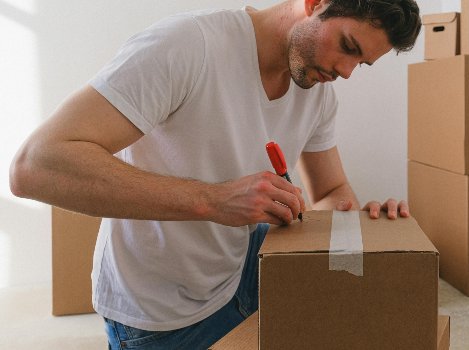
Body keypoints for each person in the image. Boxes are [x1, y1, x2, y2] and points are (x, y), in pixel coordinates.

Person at [9, 0, 421, 348]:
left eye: (361, 63)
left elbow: (331, 190)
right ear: (315, 3)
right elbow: (35, 165)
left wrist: (359, 220)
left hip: (248, 270)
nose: (346, 72)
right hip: (160, 313)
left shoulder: (317, 94)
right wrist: (213, 199)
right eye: (347, 47)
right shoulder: (187, 46)